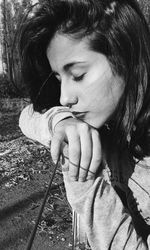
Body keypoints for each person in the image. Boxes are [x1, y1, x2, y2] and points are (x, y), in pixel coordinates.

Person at [19, 0, 150, 249]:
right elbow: (28, 116)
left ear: (127, 55)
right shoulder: (106, 120)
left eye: (78, 75)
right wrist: (61, 121)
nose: (64, 97)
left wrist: (84, 180)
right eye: (59, 78)